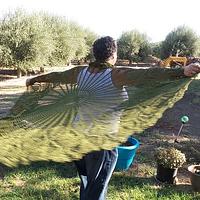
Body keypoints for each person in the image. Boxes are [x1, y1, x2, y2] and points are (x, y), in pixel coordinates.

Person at [26, 36, 200, 200]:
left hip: (78, 140)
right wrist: (182, 72)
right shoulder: (115, 74)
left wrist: (34, 79)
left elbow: (56, 76)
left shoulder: (80, 72)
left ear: (96, 54)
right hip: (101, 144)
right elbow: (148, 75)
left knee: (88, 184)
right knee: (97, 189)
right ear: (114, 55)